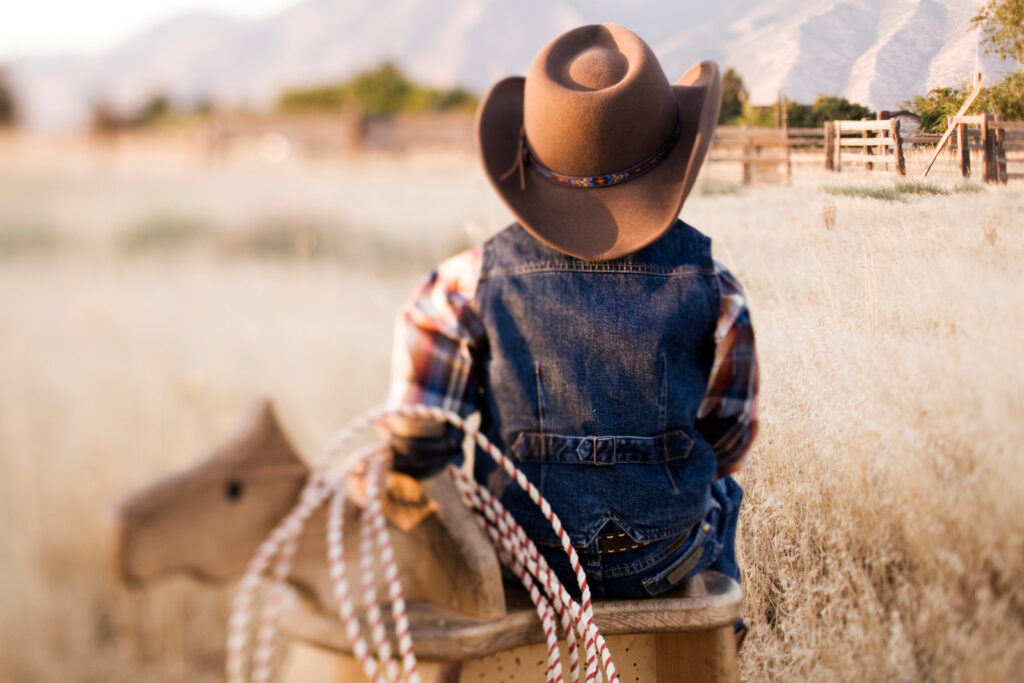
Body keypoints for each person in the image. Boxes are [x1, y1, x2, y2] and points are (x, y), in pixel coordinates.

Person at [386, 24, 757, 627]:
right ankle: (719, 640)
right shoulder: (717, 287)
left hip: (522, 556)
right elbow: (729, 440)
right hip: (664, 554)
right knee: (722, 493)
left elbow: (421, 444)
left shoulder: (458, 287)